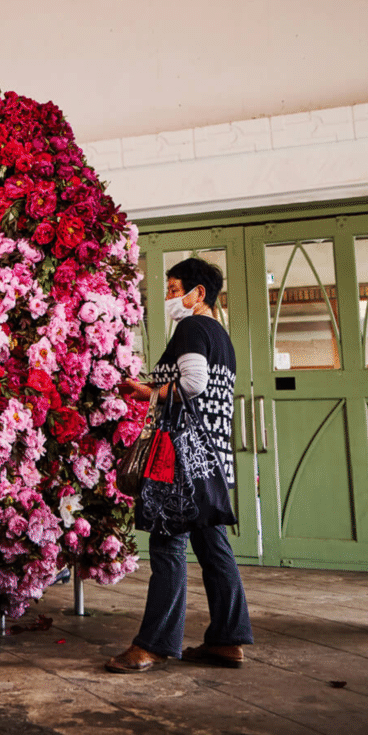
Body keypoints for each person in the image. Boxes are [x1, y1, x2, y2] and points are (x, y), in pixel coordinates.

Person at [106, 257, 253, 672]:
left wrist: (149, 393)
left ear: (197, 293)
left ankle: (153, 645)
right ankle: (228, 639)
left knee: (167, 545)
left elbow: (193, 384)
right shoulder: (219, 335)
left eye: (173, 290)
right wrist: (152, 387)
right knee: (213, 546)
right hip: (210, 458)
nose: (169, 297)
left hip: (180, 459)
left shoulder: (191, 328)